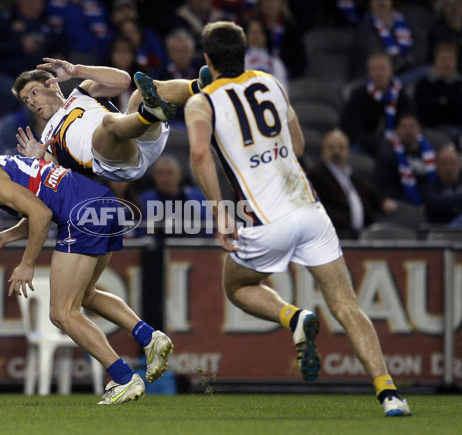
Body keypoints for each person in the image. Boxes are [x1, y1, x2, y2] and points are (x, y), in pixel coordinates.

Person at [184, 21, 411, 417]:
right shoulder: (271, 82)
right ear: (244, 54)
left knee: (236, 285)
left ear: (207, 59)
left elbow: (201, 155)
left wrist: (221, 212)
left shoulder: (201, 102)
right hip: (310, 210)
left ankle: (293, 316)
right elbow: (300, 144)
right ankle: (389, 393)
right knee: (347, 306)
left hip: (266, 220)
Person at [0, 131, 174, 405]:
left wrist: (27, 264)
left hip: (80, 215)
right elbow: (40, 206)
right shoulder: (3, 164)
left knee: (62, 313)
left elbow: (41, 214)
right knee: (87, 295)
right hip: (104, 204)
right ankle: (150, 337)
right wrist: (6, 236)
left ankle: (124, 379)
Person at [11, 57, 200, 182]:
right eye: (26, 100)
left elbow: (123, 81)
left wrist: (76, 71)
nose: (32, 101)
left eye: (34, 92)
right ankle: (150, 114)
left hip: (134, 133)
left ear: (51, 86)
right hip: (115, 161)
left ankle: (201, 87)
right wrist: (38, 162)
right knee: (108, 123)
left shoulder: (82, 92)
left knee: (139, 94)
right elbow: (58, 183)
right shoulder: (46, 139)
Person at [307, 129, 397, 239]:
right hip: (335, 234)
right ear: (323, 150)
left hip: (360, 234)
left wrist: (382, 200)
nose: (336, 152)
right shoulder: (315, 175)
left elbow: (368, 193)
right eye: (331, 147)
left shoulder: (351, 177)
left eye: (341, 148)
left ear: (347, 151)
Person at [340, 51, 414, 157]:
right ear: (369, 73)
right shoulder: (358, 95)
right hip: (364, 146)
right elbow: (351, 129)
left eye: (383, 68)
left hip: (396, 144)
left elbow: (409, 120)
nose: (379, 73)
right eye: (375, 69)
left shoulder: (401, 96)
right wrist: (377, 144)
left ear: (391, 71)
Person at [139, 153, 212, 238]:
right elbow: (137, 235)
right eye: (159, 173)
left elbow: (211, 230)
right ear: (153, 176)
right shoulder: (143, 201)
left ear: (180, 175)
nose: (164, 179)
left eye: (169, 173)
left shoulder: (198, 198)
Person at [373, 113, 438, 206]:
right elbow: (383, 185)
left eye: (412, 126)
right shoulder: (388, 154)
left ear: (420, 129)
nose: (408, 131)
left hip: (430, 201)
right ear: (396, 131)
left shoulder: (431, 152)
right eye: (403, 127)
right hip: (402, 203)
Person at [413, 42, 462, 145]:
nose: (446, 64)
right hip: (434, 130)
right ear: (435, 61)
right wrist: (452, 104)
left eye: (450, 60)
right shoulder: (425, 84)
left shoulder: (460, 84)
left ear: (455, 63)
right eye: (443, 60)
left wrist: (444, 103)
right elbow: (428, 115)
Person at [422, 144, 462, 225]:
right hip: (440, 233)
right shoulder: (429, 188)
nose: (448, 168)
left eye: (452, 163)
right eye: (443, 163)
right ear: (437, 166)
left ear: (459, 164)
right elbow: (435, 205)